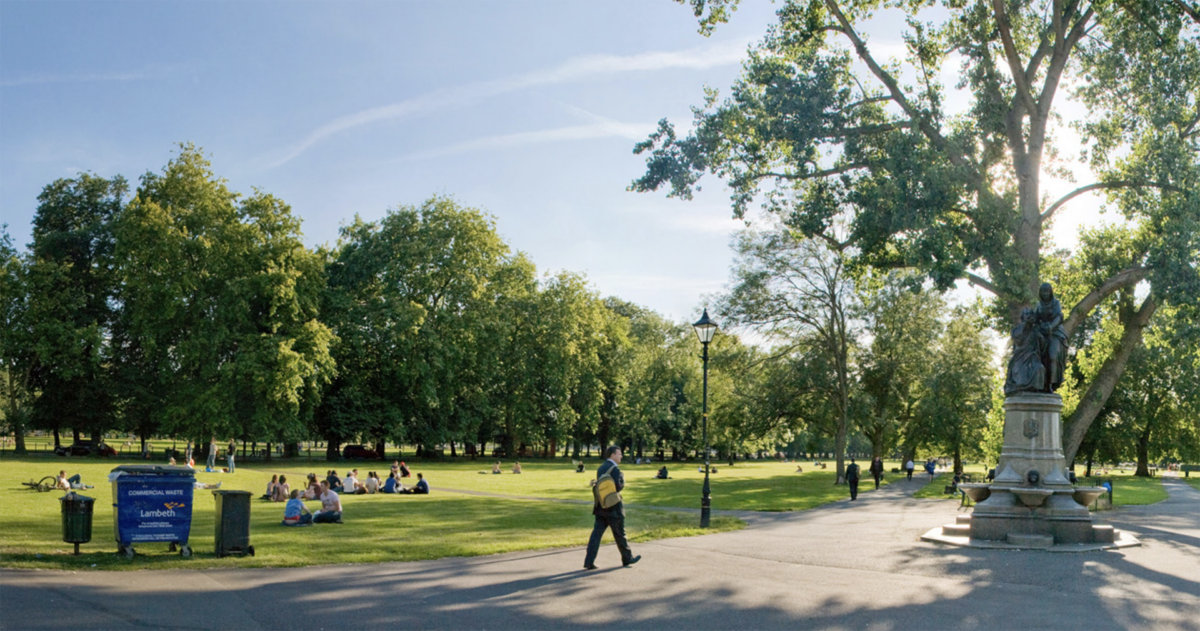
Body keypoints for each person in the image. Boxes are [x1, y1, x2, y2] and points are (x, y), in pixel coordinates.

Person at [583, 446, 640, 570]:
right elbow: (618, 488)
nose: (621, 456)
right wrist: (622, 479)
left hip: (601, 506)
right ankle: (627, 558)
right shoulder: (615, 470)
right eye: (619, 454)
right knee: (620, 534)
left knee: (596, 535)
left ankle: (589, 561)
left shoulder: (601, 468)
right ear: (613, 455)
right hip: (613, 507)